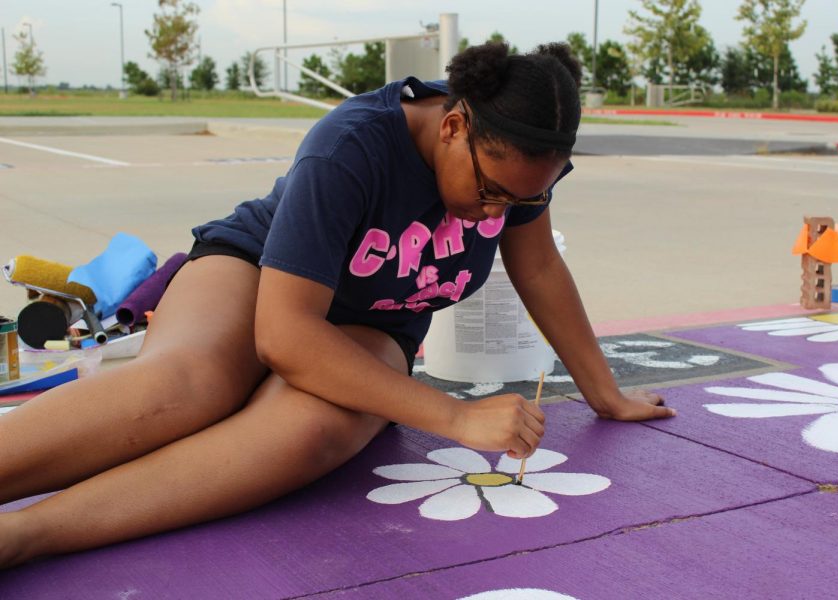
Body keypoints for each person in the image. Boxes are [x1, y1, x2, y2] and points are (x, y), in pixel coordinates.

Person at [0, 42, 674, 568]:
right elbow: (284, 336)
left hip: (369, 323)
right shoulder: (353, 143)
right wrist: (454, 417)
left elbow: (542, 269)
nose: (497, 212)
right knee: (191, 386)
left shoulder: (517, 173)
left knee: (310, 433)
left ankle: (24, 536)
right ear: (455, 124)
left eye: (522, 201)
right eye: (492, 189)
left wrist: (604, 393)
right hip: (257, 274)